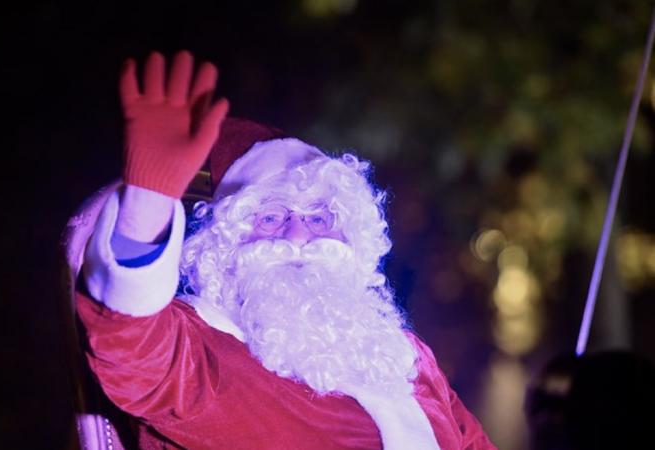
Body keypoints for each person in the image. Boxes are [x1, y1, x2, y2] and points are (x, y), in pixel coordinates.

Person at [72, 50, 497, 450]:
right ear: (224, 247)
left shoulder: (404, 355)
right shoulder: (200, 346)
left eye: (319, 219)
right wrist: (147, 203)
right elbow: (131, 351)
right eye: (271, 218)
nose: (298, 238)